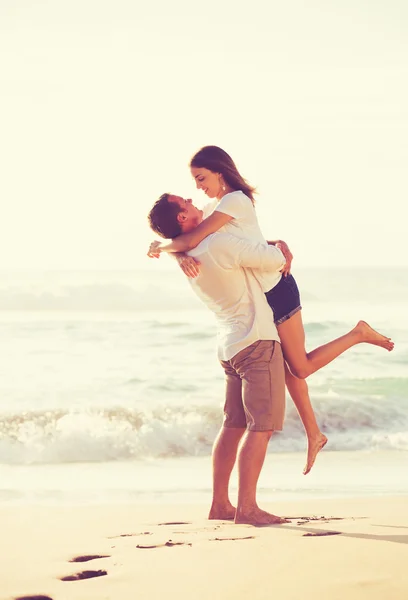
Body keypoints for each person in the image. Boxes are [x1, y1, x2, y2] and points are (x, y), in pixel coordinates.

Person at [147, 146, 394, 474]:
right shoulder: (212, 207)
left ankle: (358, 333)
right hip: (263, 291)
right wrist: (172, 250)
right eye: (194, 181)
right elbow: (196, 236)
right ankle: (314, 434)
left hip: (278, 288)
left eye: (201, 178)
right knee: (290, 370)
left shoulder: (234, 200)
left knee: (301, 368)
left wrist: (165, 248)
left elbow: (194, 239)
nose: (197, 188)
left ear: (219, 172)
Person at [148, 193, 290, 525]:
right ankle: (248, 508)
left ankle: (220, 505)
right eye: (184, 201)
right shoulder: (218, 245)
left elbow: (175, 245)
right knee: (261, 427)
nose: (191, 198)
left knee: (233, 425)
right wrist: (280, 245)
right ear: (183, 218)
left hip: (229, 348)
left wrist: (166, 249)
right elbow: (274, 261)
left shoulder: (188, 253)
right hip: (256, 342)